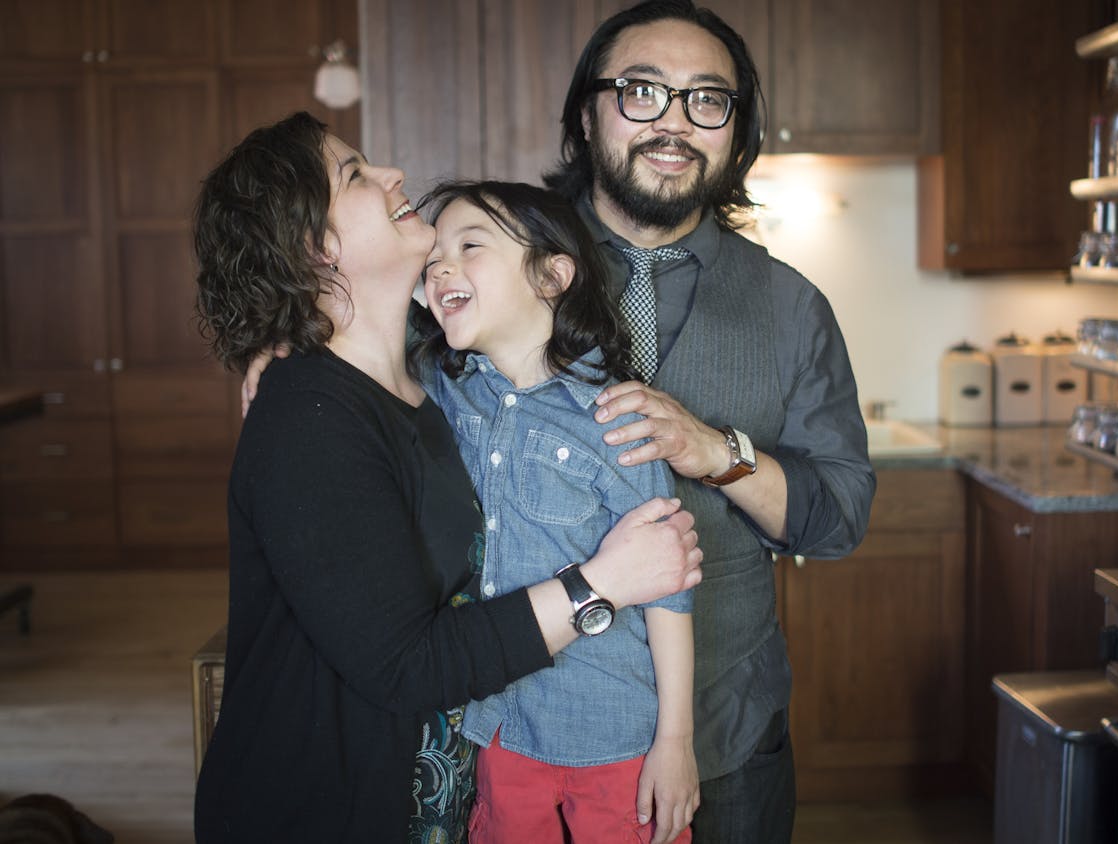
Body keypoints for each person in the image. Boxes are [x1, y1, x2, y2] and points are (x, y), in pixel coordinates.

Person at [192, 112, 701, 843]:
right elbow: (406, 664)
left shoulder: (441, 388)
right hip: (317, 808)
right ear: (314, 245)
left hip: (447, 793)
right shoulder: (307, 417)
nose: (393, 175)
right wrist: (601, 583)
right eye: (356, 174)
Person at [545, 2, 876, 841]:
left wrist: (716, 452)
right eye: (642, 92)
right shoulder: (499, 262)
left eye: (707, 100)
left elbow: (837, 519)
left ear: (737, 129)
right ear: (588, 114)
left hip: (729, 736)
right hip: (542, 736)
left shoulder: (792, 306)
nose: (675, 124)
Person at [409, 180, 697, 843]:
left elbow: (669, 595)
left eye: (469, 245)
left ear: (551, 275)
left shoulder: (617, 417)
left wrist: (675, 741)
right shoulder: (447, 394)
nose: (439, 266)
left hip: (613, 732)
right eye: (432, 259)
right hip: (501, 727)